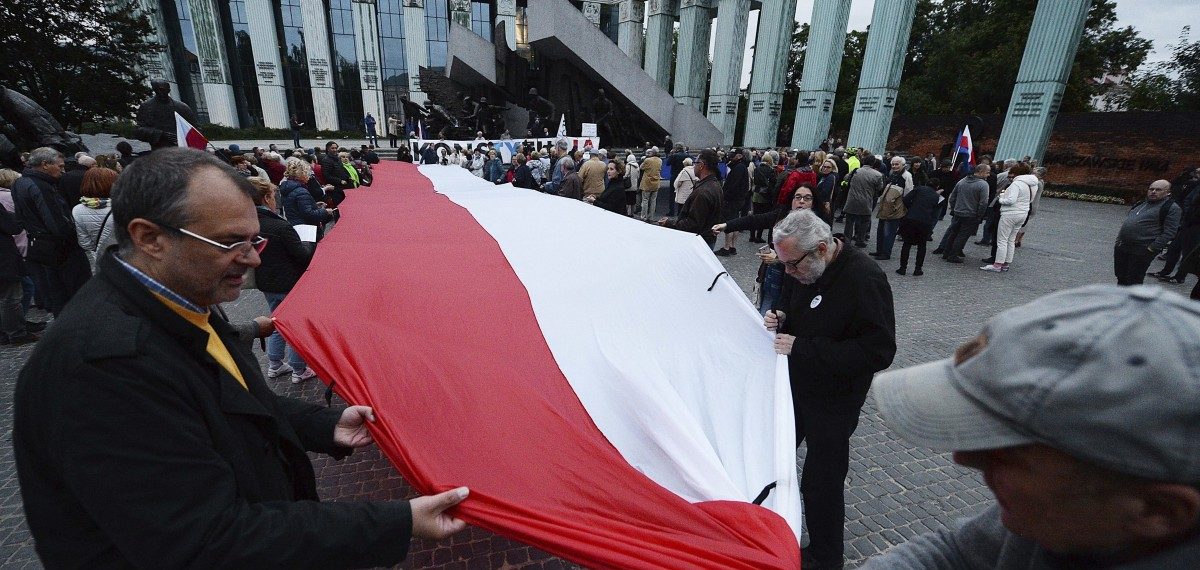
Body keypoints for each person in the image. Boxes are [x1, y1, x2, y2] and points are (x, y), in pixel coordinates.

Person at [13, 147, 469, 568]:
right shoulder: (104, 366)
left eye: (255, 241)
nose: (252, 259)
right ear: (149, 238)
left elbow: (233, 398)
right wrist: (398, 523)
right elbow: (204, 540)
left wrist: (324, 424)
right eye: (231, 243)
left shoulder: (181, 300)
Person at [865, 284, 1200, 569]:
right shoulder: (1067, 517)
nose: (964, 457)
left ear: (1158, 512)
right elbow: (955, 552)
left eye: (1009, 452)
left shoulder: (1060, 517)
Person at [766, 208, 895, 569]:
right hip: (794, 386)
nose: (788, 272)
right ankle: (761, 526)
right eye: (784, 264)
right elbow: (796, 303)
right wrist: (782, 316)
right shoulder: (802, 266)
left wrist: (803, 347)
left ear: (822, 248)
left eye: (793, 264)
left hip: (835, 399)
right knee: (770, 457)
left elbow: (878, 350)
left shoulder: (865, 278)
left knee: (821, 482)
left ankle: (825, 557)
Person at [249, 178, 319, 384]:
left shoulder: (251, 223)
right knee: (294, 325)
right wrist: (308, 243)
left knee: (276, 321)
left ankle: (275, 364)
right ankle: (299, 369)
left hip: (267, 282)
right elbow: (302, 255)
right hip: (289, 283)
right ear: (267, 197)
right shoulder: (280, 226)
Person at [713, 183, 817, 315]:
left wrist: (779, 259)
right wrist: (726, 225)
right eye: (798, 197)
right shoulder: (782, 215)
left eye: (807, 198)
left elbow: (813, 259)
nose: (801, 201)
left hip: (795, 288)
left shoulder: (816, 228)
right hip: (771, 279)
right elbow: (755, 220)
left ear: (813, 203)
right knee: (764, 318)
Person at [11, 147, 91, 316]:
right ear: (45, 164)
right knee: (78, 293)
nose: (62, 171)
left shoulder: (19, 182)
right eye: (60, 166)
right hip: (61, 248)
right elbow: (56, 223)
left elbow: (20, 218)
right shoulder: (42, 186)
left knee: (58, 295)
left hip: (42, 247)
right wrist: (72, 236)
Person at [1114, 179, 1180, 285]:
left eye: (1158, 190)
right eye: (1151, 189)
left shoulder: (1171, 208)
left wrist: (1151, 248)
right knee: (1121, 275)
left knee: (1134, 279)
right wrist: (1118, 240)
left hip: (1142, 248)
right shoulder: (1141, 204)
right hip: (1123, 245)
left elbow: (1170, 232)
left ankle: (1133, 301)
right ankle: (1121, 299)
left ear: (1168, 192)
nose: (1153, 192)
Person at [659, 148, 722, 248]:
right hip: (707, 239)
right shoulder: (714, 185)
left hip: (699, 242)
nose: (693, 166)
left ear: (701, 165)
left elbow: (693, 224)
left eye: (695, 163)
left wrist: (669, 223)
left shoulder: (703, 192)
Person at [982, 163, 1037, 273]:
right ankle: (1006, 263)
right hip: (1022, 213)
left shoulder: (1016, 184)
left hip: (1010, 214)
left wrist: (1001, 199)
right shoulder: (1032, 184)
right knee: (1011, 240)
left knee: (1002, 239)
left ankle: (997, 264)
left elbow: (1011, 200)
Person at [933, 163, 991, 263]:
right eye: (987, 172)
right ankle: (953, 255)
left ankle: (946, 253)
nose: (988, 175)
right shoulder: (983, 184)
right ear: (981, 172)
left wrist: (954, 208)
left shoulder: (962, 181)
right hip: (971, 214)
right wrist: (980, 215)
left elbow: (953, 196)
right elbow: (984, 202)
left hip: (958, 212)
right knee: (962, 236)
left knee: (953, 233)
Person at [72, 167, 119, 272]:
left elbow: (84, 243)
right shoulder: (122, 206)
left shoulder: (77, 210)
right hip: (125, 258)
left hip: (100, 259)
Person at [895, 183, 939, 276]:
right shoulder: (936, 196)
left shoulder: (919, 189)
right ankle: (918, 269)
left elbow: (906, 199)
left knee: (906, 244)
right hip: (925, 222)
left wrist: (911, 208)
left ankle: (902, 268)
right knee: (922, 246)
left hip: (911, 219)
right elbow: (935, 212)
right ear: (937, 187)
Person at [871, 157, 910, 261]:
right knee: (880, 231)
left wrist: (900, 207)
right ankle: (879, 250)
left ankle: (885, 253)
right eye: (893, 164)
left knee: (889, 232)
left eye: (897, 164)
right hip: (885, 208)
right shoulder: (893, 174)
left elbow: (908, 193)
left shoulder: (906, 176)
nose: (894, 166)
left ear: (903, 165)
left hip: (894, 210)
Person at [842, 155, 883, 248]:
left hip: (852, 199)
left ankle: (847, 239)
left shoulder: (855, 171)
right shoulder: (877, 175)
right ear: (873, 163)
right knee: (865, 221)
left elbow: (845, 179)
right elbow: (880, 187)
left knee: (849, 221)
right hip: (866, 200)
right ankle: (860, 239)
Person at [715, 149, 749, 257]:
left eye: (733, 155)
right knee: (735, 222)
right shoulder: (742, 167)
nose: (730, 156)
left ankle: (727, 247)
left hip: (732, 200)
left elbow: (732, 185)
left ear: (739, 156)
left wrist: (725, 196)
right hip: (738, 200)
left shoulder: (738, 168)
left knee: (729, 223)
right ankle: (732, 246)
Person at [639, 147, 663, 219]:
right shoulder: (660, 160)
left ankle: (644, 216)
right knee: (653, 201)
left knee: (645, 200)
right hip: (656, 182)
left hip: (647, 182)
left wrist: (645, 159)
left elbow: (641, 167)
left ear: (652, 152)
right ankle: (651, 217)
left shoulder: (648, 160)